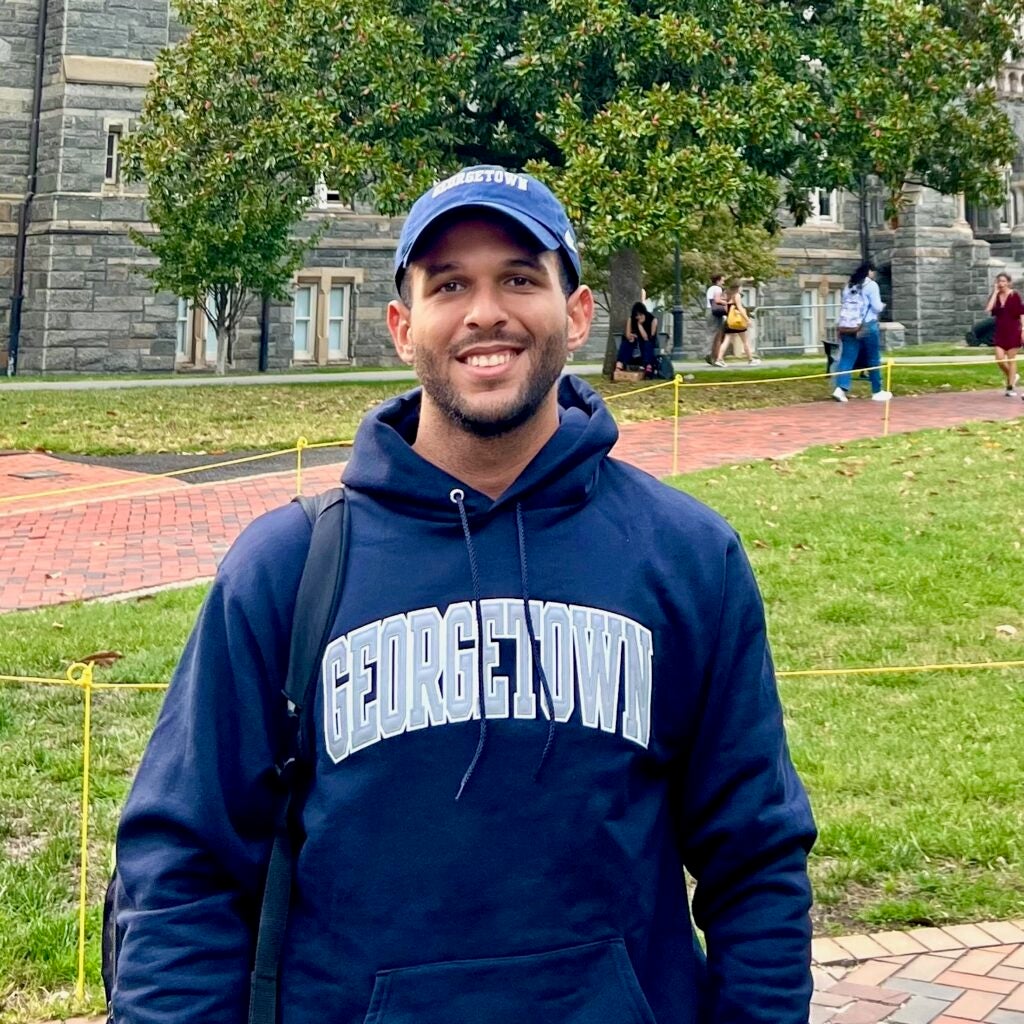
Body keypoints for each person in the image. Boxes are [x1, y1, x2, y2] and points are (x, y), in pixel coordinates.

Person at [113, 165, 816, 1024]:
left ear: (580, 311)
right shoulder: (288, 568)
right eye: (451, 285)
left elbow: (759, 854)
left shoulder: (686, 556)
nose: (486, 311)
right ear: (404, 327)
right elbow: (183, 866)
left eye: (521, 278)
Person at [832, 261, 892, 402]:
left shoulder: (849, 285)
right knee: (873, 358)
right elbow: (876, 307)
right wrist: (883, 306)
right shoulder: (871, 285)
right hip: (866, 326)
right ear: (870, 271)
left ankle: (840, 389)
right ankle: (877, 391)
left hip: (847, 326)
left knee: (847, 358)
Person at [984, 272, 1023, 397]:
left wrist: (1023, 328)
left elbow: (1021, 313)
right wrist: (995, 293)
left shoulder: (1014, 295)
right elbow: (988, 309)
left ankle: (1010, 387)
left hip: (1013, 331)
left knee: (1011, 359)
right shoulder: (995, 296)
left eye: (1003, 281)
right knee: (999, 359)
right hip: (1000, 332)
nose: (1001, 283)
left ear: (1008, 282)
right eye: (999, 281)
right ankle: (1013, 376)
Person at [712, 282, 759, 366]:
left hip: (730, 321)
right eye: (741, 287)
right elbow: (740, 308)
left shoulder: (728, 296)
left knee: (726, 340)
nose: (741, 289)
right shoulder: (737, 295)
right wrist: (747, 319)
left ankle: (719, 359)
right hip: (738, 322)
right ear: (738, 288)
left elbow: (727, 309)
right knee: (745, 341)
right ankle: (751, 359)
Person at [616, 300, 657, 377]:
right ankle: (620, 363)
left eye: (640, 315)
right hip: (636, 342)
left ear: (644, 313)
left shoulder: (653, 320)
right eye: (636, 315)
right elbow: (627, 334)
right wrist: (631, 336)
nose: (638, 317)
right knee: (627, 342)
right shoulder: (631, 319)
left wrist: (639, 325)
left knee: (647, 344)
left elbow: (646, 338)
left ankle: (648, 366)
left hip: (648, 342)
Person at [704, 274, 727, 365]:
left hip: (709, 311)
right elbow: (717, 300)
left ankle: (713, 356)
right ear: (718, 281)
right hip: (715, 313)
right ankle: (709, 353)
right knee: (715, 335)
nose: (723, 282)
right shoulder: (717, 289)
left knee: (712, 333)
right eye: (722, 280)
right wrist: (726, 302)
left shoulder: (710, 289)